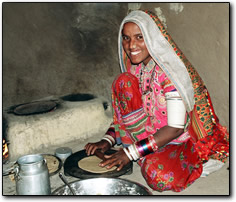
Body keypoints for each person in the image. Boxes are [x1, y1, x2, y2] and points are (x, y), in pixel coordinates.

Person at [84, 10, 229, 192]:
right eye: (126, 38)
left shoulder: (170, 74)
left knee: (158, 177)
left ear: (153, 38)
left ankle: (151, 155)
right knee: (122, 82)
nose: (131, 45)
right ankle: (143, 152)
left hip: (177, 141)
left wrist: (131, 153)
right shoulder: (137, 70)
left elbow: (175, 128)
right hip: (146, 136)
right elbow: (123, 118)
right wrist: (107, 141)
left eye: (139, 37)